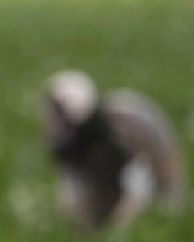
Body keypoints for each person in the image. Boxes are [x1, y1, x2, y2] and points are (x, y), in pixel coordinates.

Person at [44, 69, 185, 232]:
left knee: (161, 213)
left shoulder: (119, 130)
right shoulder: (64, 132)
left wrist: (121, 224)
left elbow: (138, 180)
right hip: (113, 169)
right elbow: (71, 174)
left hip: (151, 164)